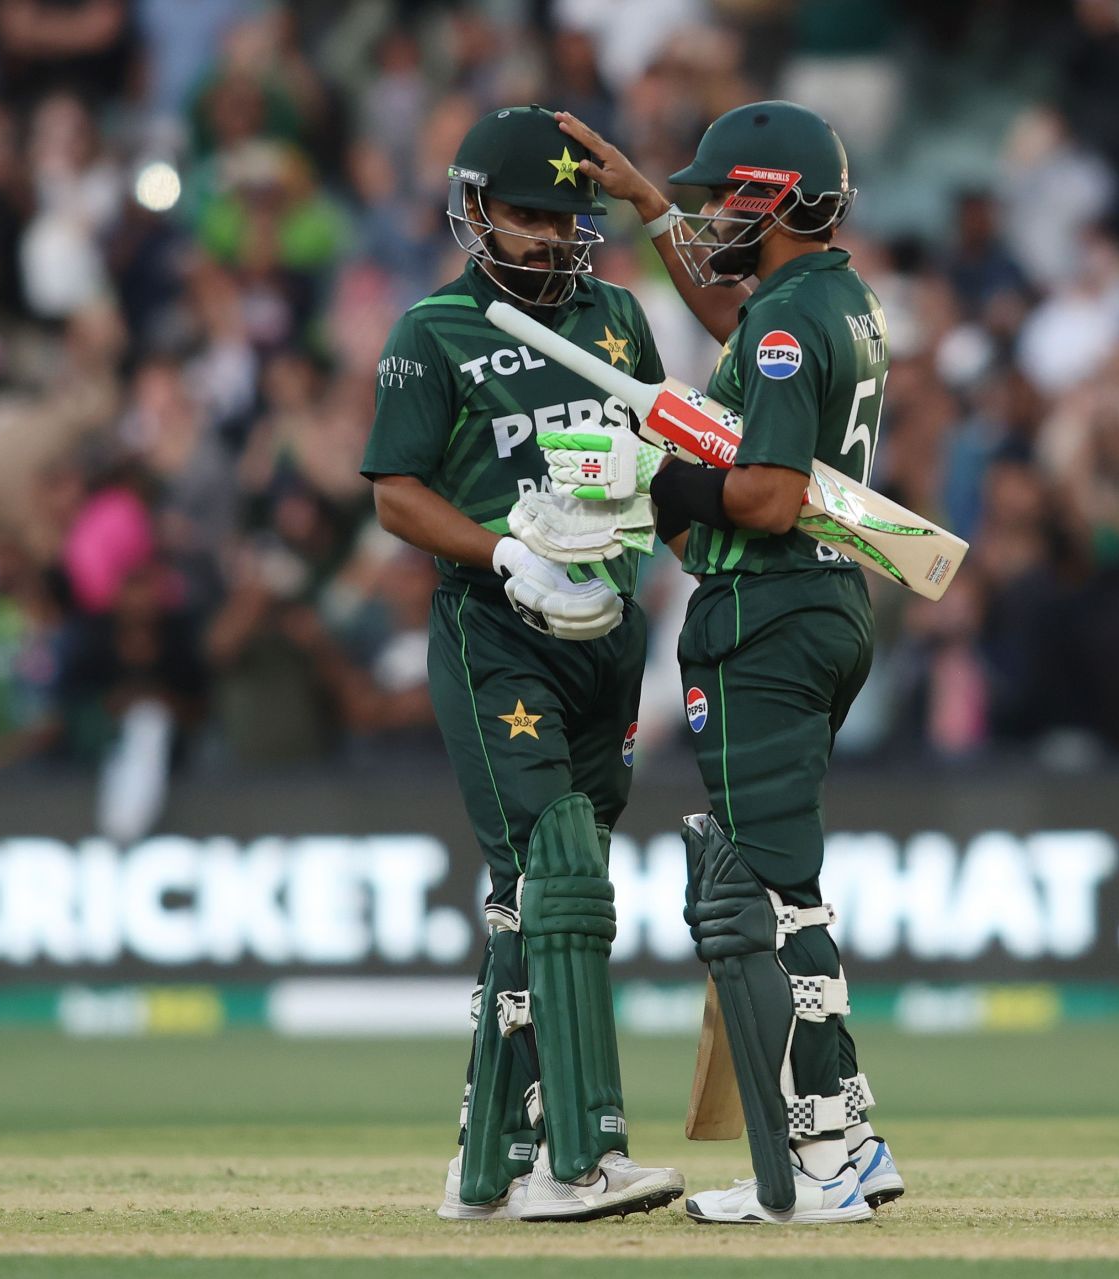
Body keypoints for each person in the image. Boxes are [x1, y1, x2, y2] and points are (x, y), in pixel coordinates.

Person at [552, 100, 904, 1224]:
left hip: (768, 607)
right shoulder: (830, 299)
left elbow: (766, 491)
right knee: (779, 883)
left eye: (719, 200)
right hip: (823, 601)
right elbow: (734, 321)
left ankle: (824, 1161)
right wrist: (651, 206)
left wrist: (652, 481)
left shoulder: (794, 323)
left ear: (775, 200)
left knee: (758, 894)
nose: (709, 218)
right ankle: (847, 1133)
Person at [359, 104, 681, 1223]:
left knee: (536, 900)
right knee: (561, 870)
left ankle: (485, 1167)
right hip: (494, 629)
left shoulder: (622, 319)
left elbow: (658, 467)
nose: (549, 235)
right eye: (528, 213)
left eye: (564, 216)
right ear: (477, 209)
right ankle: (582, 1157)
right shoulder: (432, 330)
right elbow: (398, 494)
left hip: (609, 629)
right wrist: (502, 550)